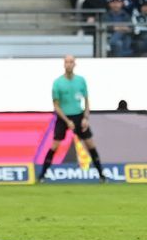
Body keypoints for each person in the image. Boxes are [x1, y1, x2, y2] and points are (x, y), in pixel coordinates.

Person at [36, 55, 109, 183]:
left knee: (90, 144)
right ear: (64, 64)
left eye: (71, 62)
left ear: (75, 64)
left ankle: (101, 175)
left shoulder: (81, 81)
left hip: (79, 116)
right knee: (55, 145)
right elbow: (56, 106)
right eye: (67, 62)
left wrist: (86, 117)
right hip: (63, 117)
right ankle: (42, 175)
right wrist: (67, 121)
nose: (69, 64)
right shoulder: (58, 83)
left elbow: (86, 101)